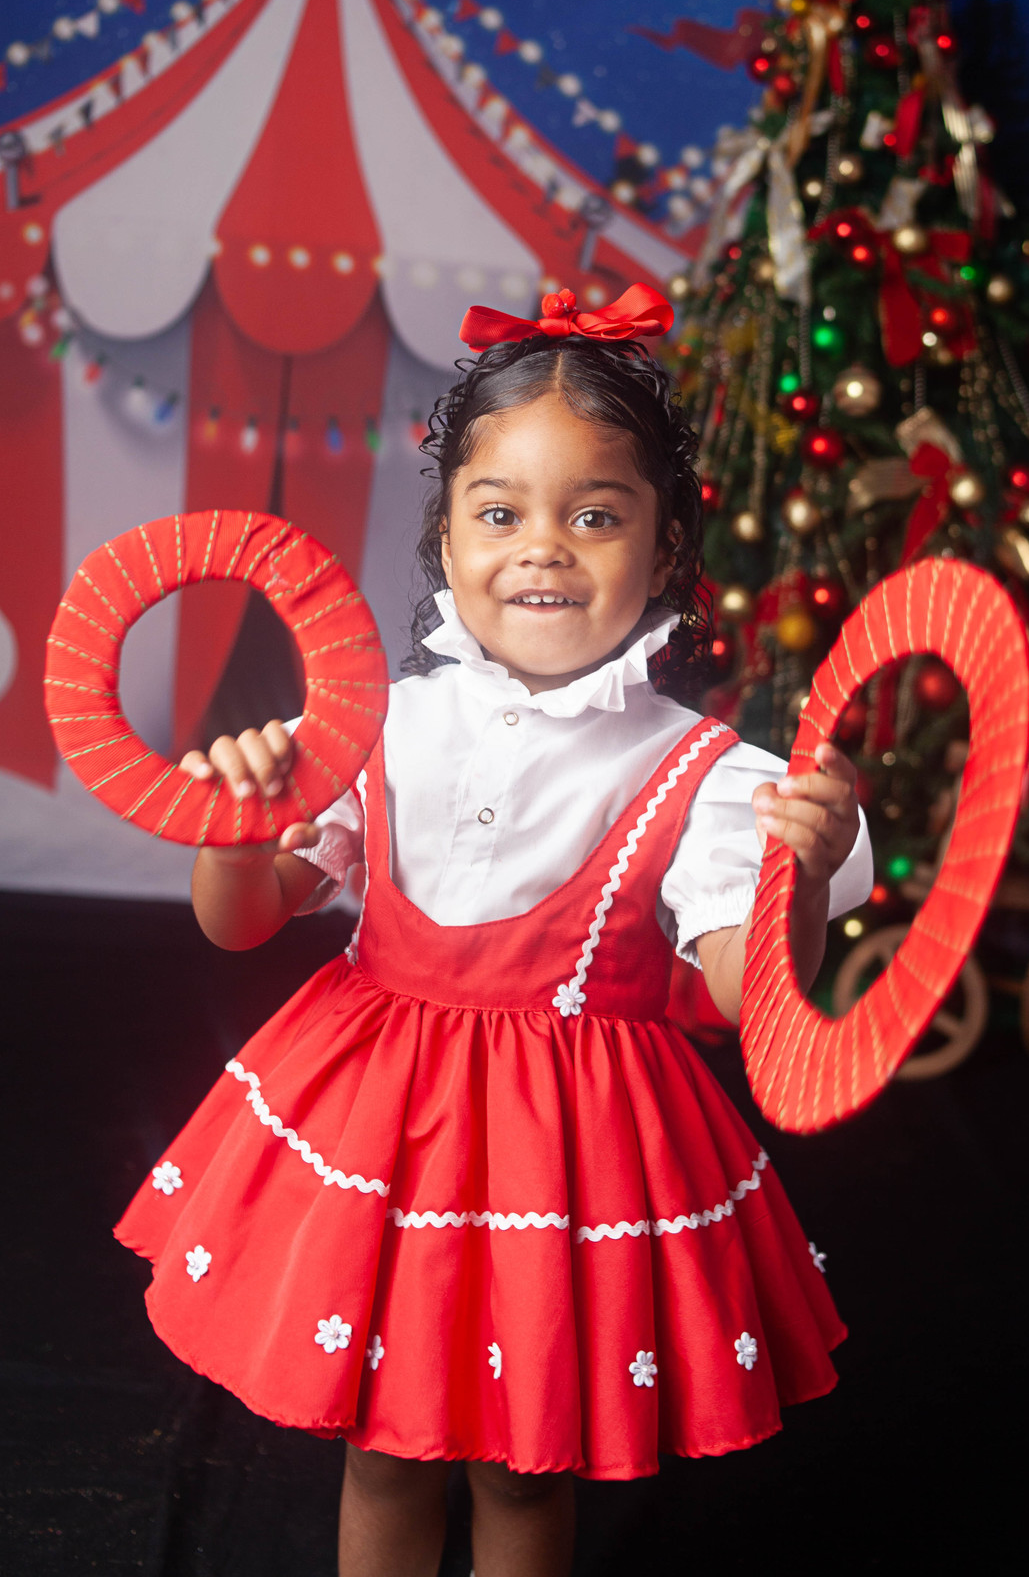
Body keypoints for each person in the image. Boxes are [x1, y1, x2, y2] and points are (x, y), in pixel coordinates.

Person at [115, 285, 872, 1577]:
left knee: (523, 1478)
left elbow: (752, 997)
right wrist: (237, 823)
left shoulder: (708, 773)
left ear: (667, 544)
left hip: (567, 1160)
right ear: (450, 536)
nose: (544, 549)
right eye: (501, 512)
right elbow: (240, 922)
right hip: (385, 1133)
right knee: (387, 1448)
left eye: (595, 514)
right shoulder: (380, 724)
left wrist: (796, 873)